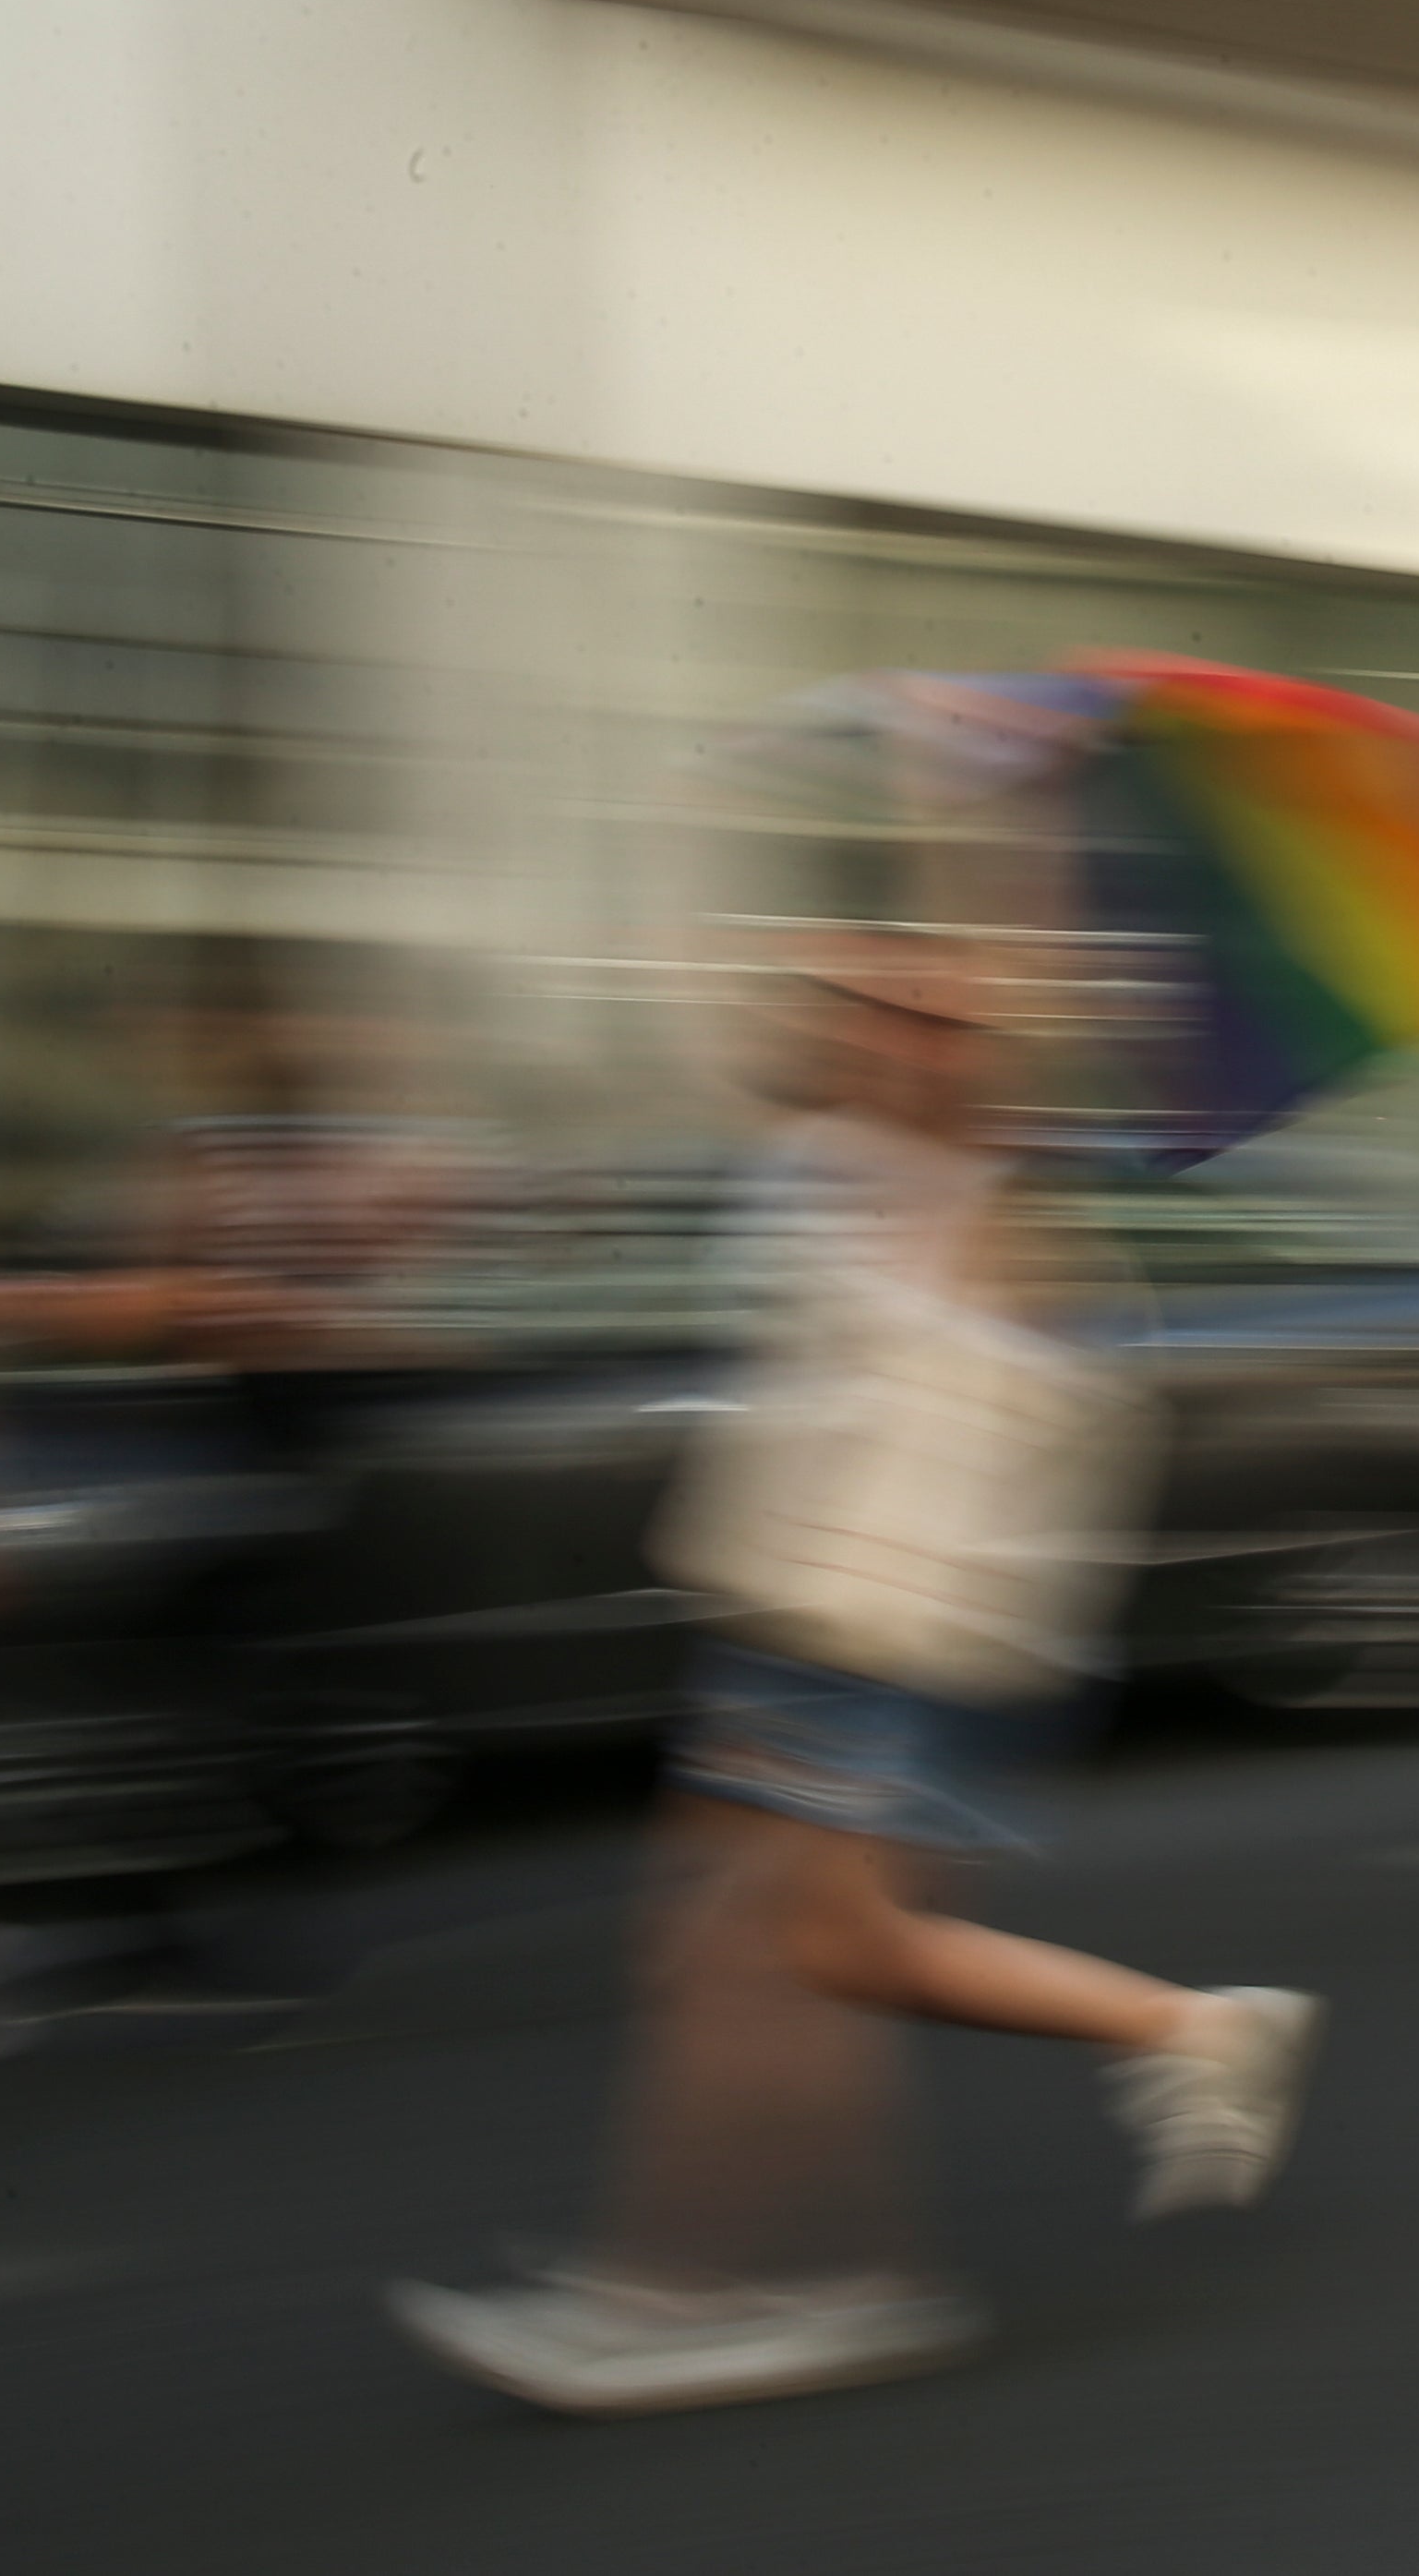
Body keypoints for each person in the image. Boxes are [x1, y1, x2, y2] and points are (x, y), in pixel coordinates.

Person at [392, 946, 1315, 2414]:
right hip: (793, 1616)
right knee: (747, 1955)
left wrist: (957, 1067)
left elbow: (998, 1413)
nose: (883, 1042)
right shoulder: (841, 1162)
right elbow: (773, 1084)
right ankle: (850, 2264)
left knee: (774, 1958)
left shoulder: (1014, 1220)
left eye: (926, 1026)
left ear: (989, 1062)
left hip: (889, 1642)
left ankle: (695, 2288)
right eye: (869, 1019)